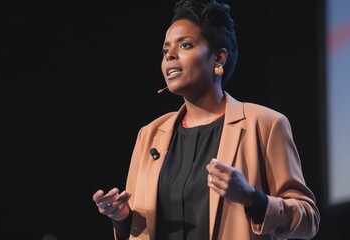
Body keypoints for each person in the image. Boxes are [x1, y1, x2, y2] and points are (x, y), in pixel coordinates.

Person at [92, 0, 321, 239]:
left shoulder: (265, 124)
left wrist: (253, 198)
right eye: (165, 50)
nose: (170, 55)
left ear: (218, 58)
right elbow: (140, 228)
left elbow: (308, 219)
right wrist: (122, 217)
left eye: (185, 45)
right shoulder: (149, 135)